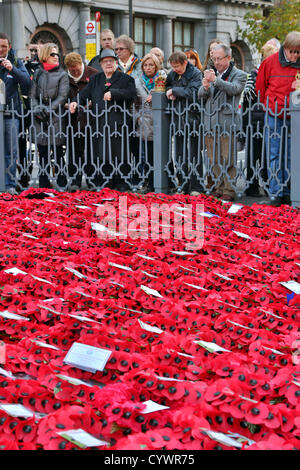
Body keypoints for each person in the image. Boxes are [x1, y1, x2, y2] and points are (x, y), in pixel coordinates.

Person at [69, 48, 137, 191]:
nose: (108, 64)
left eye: (111, 61)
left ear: (116, 63)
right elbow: (85, 94)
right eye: (105, 62)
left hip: (119, 124)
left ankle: (121, 183)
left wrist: (114, 93)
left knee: (120, 154)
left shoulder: (126, 79)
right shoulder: (96, 79)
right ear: (100, 64)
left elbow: (131, 94)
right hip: (99, 124)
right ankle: (104, 183)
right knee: (102, 153)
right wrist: (76, 101)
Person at [256, 31, 300, 206]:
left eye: (298, 52)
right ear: (285, 49)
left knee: (291, 155)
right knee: (274, 154)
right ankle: (276, 192)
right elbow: (260, 87)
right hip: (274, 113)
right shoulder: (270, 62)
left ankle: (290, 190)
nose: (295, 56)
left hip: (295, 115)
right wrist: (267, 104)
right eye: (292, 52)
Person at [198, 43, 247, 201]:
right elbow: (200, 95)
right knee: (214, 158)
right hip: (211, 121)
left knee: (228, 158)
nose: (216, 62)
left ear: (228, 58)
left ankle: (229, 189)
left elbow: (234, 89)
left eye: (219, 59)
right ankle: (218, 187)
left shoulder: (239, 74)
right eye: (214, 59)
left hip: (227, 122)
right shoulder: (211, 73)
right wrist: (205, 87)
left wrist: (215, 81)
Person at [30, 42, 69, 189]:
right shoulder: (38, 73)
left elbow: (62, 97)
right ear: (45, 55)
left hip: (56, 117)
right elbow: (32, 95)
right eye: (52, 54)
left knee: (58, 153)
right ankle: (44, 184)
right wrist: (36, 109)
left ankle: (62, 183)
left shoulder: (62, 74)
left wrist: (47, 109)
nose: (56, 56)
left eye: (57, 53)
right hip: (40, 119)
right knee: (43, 154)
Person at [242, 41, 279, 197]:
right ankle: (253, 185)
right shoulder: (256, 74)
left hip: (266, 119)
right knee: (255, 155)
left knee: (268, 155)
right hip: (257, 120)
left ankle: (269, 184)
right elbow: (248, 96)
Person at [166, 51, 203, 194]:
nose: (175, 69)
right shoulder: (173, 74)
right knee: (179, 154)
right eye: (173, 66)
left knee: (194, 153)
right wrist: (171, 91)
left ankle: (196, 186)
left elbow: (193, 92)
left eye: (177, 66)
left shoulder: (195, 74)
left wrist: (174, 90)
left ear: (185, 63)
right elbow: (166, 86)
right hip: (178, 116)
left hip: (192, 116)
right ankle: (183, 184)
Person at [0, 32, 31, 195]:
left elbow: (27, 83)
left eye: (4, 46)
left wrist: (12, 68)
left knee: (11, 152)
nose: (1, 49)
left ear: (9, 47)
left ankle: (10, 184)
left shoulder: (17, 62)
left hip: (11, 114)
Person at [64, 52, 98, 190]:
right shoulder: (64, 77)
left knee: (90, 151)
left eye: (77, 69)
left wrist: (90, 102)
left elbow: (98, 94)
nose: (75, 72)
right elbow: (61, 96)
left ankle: (92, 181)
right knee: (73, 151)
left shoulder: (93, 74)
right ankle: (74, 181)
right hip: (71, 120)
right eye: (72, 70)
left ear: (82, 64)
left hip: (90, 119)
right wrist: (67, 105)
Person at [133, 52, 162, 193]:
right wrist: (137, 117)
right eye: (145, 65)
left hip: (160, 121)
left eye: (151, 65)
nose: (148, 67)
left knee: (161, 155)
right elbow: (133, 103)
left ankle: (163, 182)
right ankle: (148, 183)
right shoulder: (137, 81)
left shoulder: (163, 79)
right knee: (147, 156)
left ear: (156, 66)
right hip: (144, 121)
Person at [18, 42, 42, 190]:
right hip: (24, 110)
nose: (33, 53)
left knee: (42, 145)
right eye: (31, 50)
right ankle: (23, 176)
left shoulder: (43, 68)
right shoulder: (24, 67)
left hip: (39, 111)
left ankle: (45, 175)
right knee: (22, 143)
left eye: (36, 50)